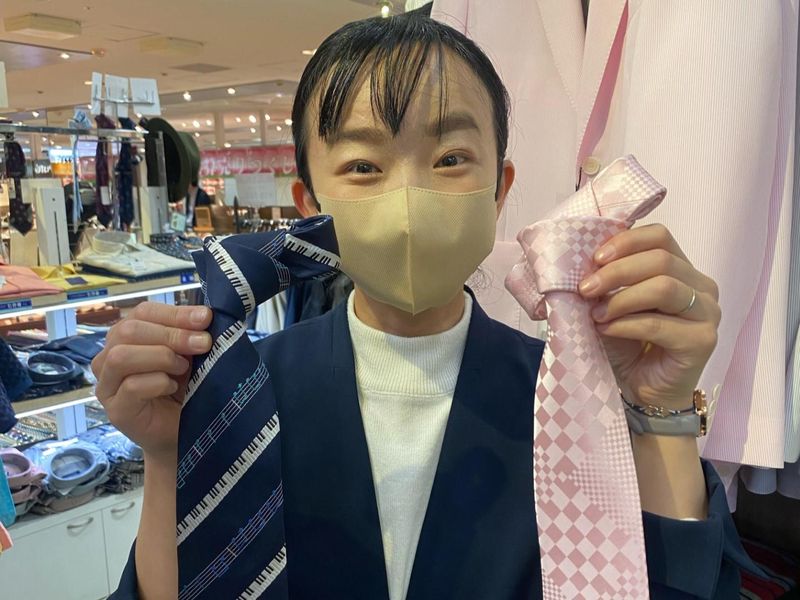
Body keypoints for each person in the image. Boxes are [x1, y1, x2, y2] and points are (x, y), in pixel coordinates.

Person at [93, 9, 755, 600]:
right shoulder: (246, 392)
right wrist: (169, 456)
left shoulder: (568, 399)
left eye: (450, 158)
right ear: (310, 203)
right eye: (363, 167)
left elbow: (673, 586)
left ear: (499, 190)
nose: (409, 201)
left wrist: (661, 409)